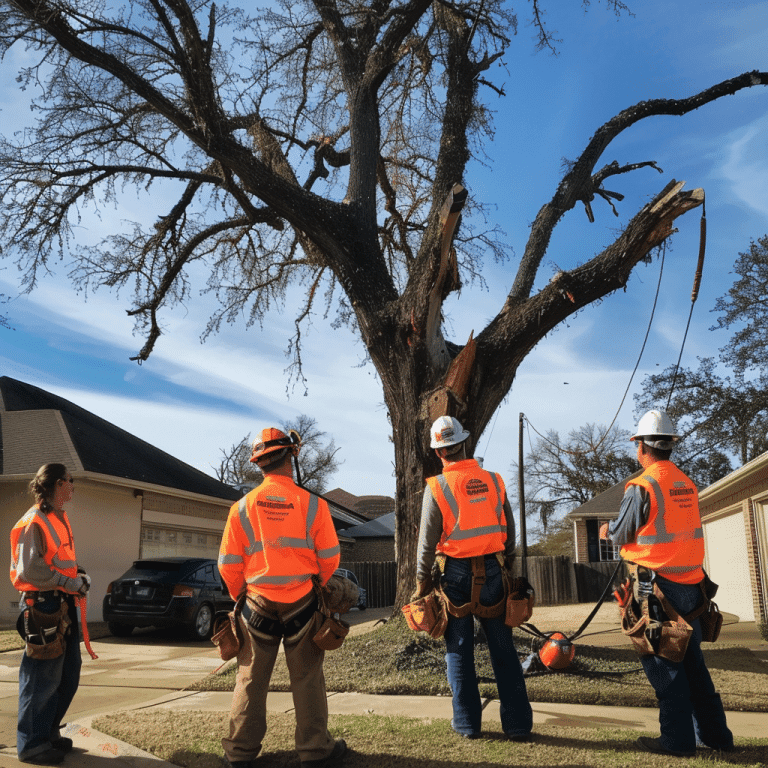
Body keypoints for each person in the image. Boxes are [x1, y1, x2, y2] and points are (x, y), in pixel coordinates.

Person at [600, 409, 734, 757]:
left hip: (655, 588)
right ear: (671, 446)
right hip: (692, 588)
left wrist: (606, 531)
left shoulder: (642, 485)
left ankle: (676, 742)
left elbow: (622, 532)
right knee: (693, 666)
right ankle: (716, 737)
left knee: (664, 666)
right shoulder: (686, 483)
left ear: (641, 447)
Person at [218, 428, 346, 768]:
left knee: (250, 679)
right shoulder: (313, 505)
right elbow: (331, 557)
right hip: (303, 603)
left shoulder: (241, 508)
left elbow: (228, 564)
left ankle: (239, 754)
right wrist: (316, 581)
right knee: (306, 678)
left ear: (259, 464)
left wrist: (240, 599)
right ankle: (316, 751)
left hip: (256, 604)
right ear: (292, 456)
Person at [414, 416, 532, 741]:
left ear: (439, 452)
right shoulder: (494, 481)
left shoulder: (436, 487)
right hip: (494, 571)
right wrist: (507, 567)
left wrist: (421, 587)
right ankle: (518, 725)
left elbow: (426, 546)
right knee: (503, 649)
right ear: (465, 444)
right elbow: (510, 532)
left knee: (459, 650)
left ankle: (467, 725)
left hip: (454, 575)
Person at [10, 464, 91, 765]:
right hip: (42, 606)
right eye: (70, 481)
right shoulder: (35, 522)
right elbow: (29, 569)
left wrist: (79, 576)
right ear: (58, 484)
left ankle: (47, 732)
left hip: (62, 604)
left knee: (68, 674)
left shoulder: (58, 518)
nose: (73, 486)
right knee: (41, 679)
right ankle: (32, 744)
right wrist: (68, 582)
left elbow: (59, 562)